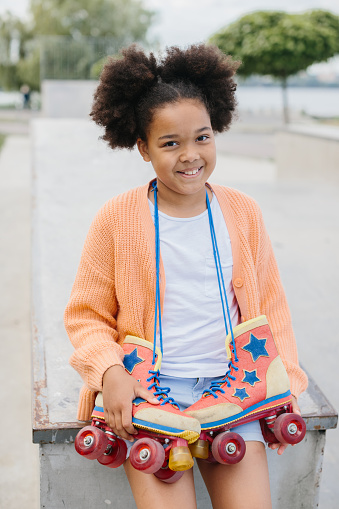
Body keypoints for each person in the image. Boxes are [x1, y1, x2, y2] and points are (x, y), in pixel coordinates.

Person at [64, 43, 308, 509]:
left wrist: (286, 386)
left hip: (235, 392)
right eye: (170, 143)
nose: (190, 155)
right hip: (148, 397)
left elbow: (272, 306)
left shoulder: (242, 213)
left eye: (203, 137)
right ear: (142, 148)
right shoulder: (115, 219)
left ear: (216, 132)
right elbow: (85, 315)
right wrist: (109, 371)